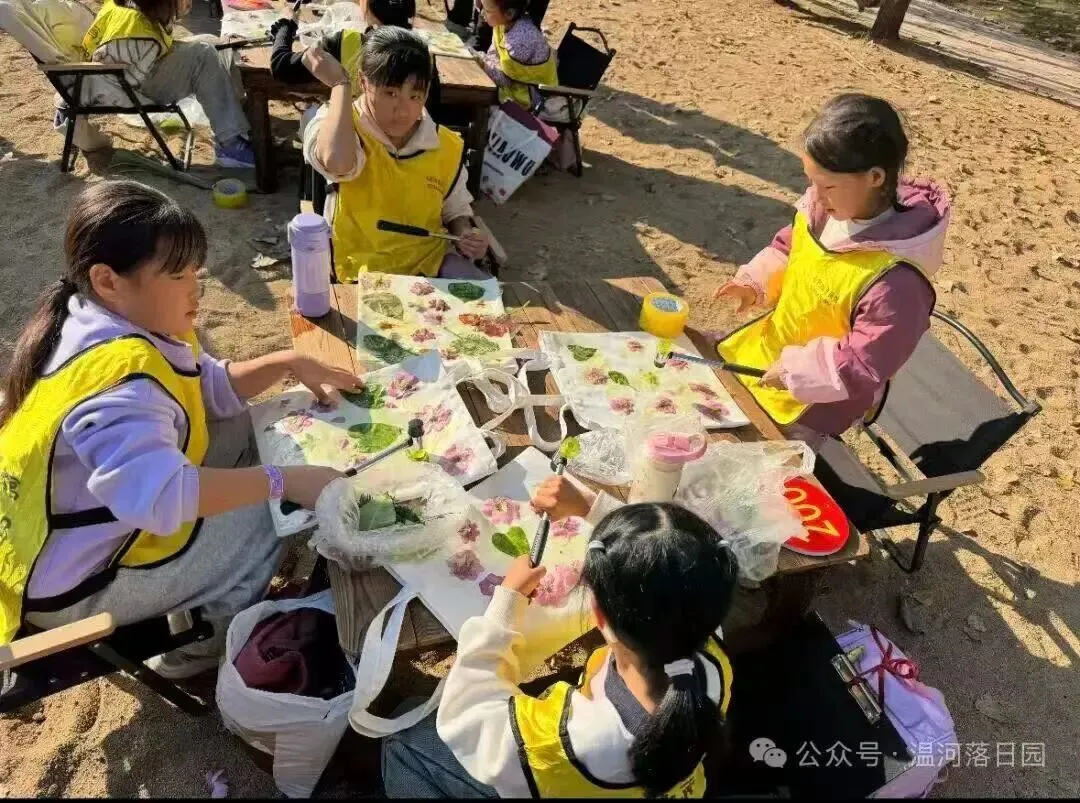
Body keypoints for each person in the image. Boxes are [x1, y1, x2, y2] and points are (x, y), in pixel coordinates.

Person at [0, 181, 355, 678]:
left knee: (252, 426)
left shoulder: (102, 315)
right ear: (107, 280)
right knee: (268, 516)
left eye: (196, 272)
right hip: (72, 584)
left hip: (70, 527)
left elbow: (203, 386)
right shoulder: (122, 384)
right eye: (177, 274)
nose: (195, 288)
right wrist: (284, 482)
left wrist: (287, 362)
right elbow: (165, 498)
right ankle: (197, 649)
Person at [381, 501, 738, 798]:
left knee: (403, 737)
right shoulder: (712, 655)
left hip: (557, 782)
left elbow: (469, 714)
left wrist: (506, 603)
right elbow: (670, 570)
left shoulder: (556, 742)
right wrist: (590, 507)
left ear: (598, 615)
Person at [714, 93, 950, 447]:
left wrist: (796, 372)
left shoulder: (897, 281)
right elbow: (791, 248)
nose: (816, 195)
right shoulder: (823, 211)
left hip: (812, 405)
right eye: (811, 181)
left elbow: (864, 363)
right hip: (763, 353)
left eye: (828, 186)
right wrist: (755, 282)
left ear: (875, 177)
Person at [304, 26, 490, 282]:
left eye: (415, 96)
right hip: (360, 269)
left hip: (429, 262)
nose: (403, 111)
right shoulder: (339, 122)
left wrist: (466, 234)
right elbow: (337, 163)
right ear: (363, 82)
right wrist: (340, 85)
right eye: (390, 93)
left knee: (486, 296)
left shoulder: (445, 144)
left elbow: (455, 209)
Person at [81, 0, 256, 167]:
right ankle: (230, 144)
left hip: (136, 69)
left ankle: (236, 126)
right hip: (131, 86)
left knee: (213, 43)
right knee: (204, 56)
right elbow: (113, 77)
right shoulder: (133, 27)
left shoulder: (130, 8)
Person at [476, 0, 557, 110]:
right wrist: (484, 62)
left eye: (487, 10)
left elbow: (505, 81)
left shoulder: (520, 40)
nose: (482, 14)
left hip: (533, 96)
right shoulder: (502, 24)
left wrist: (482, 63)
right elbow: (493, 55)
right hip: (514, 83)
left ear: (509, 14)